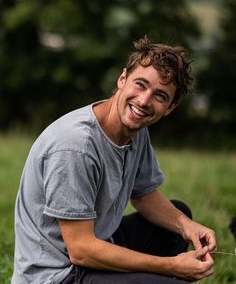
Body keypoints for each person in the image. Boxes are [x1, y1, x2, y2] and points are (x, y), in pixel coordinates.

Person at [11, 36, 216, 284]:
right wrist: (171, 266)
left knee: (179, 216)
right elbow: (81, 250)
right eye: (140, 84)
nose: (143, 101)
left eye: (160, 96)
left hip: (95, 246)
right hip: (59, 274)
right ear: (122, 79)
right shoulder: (75, 146)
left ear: (170, 107)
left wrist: (187, 226)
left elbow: (143, 194)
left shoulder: (136, 130)